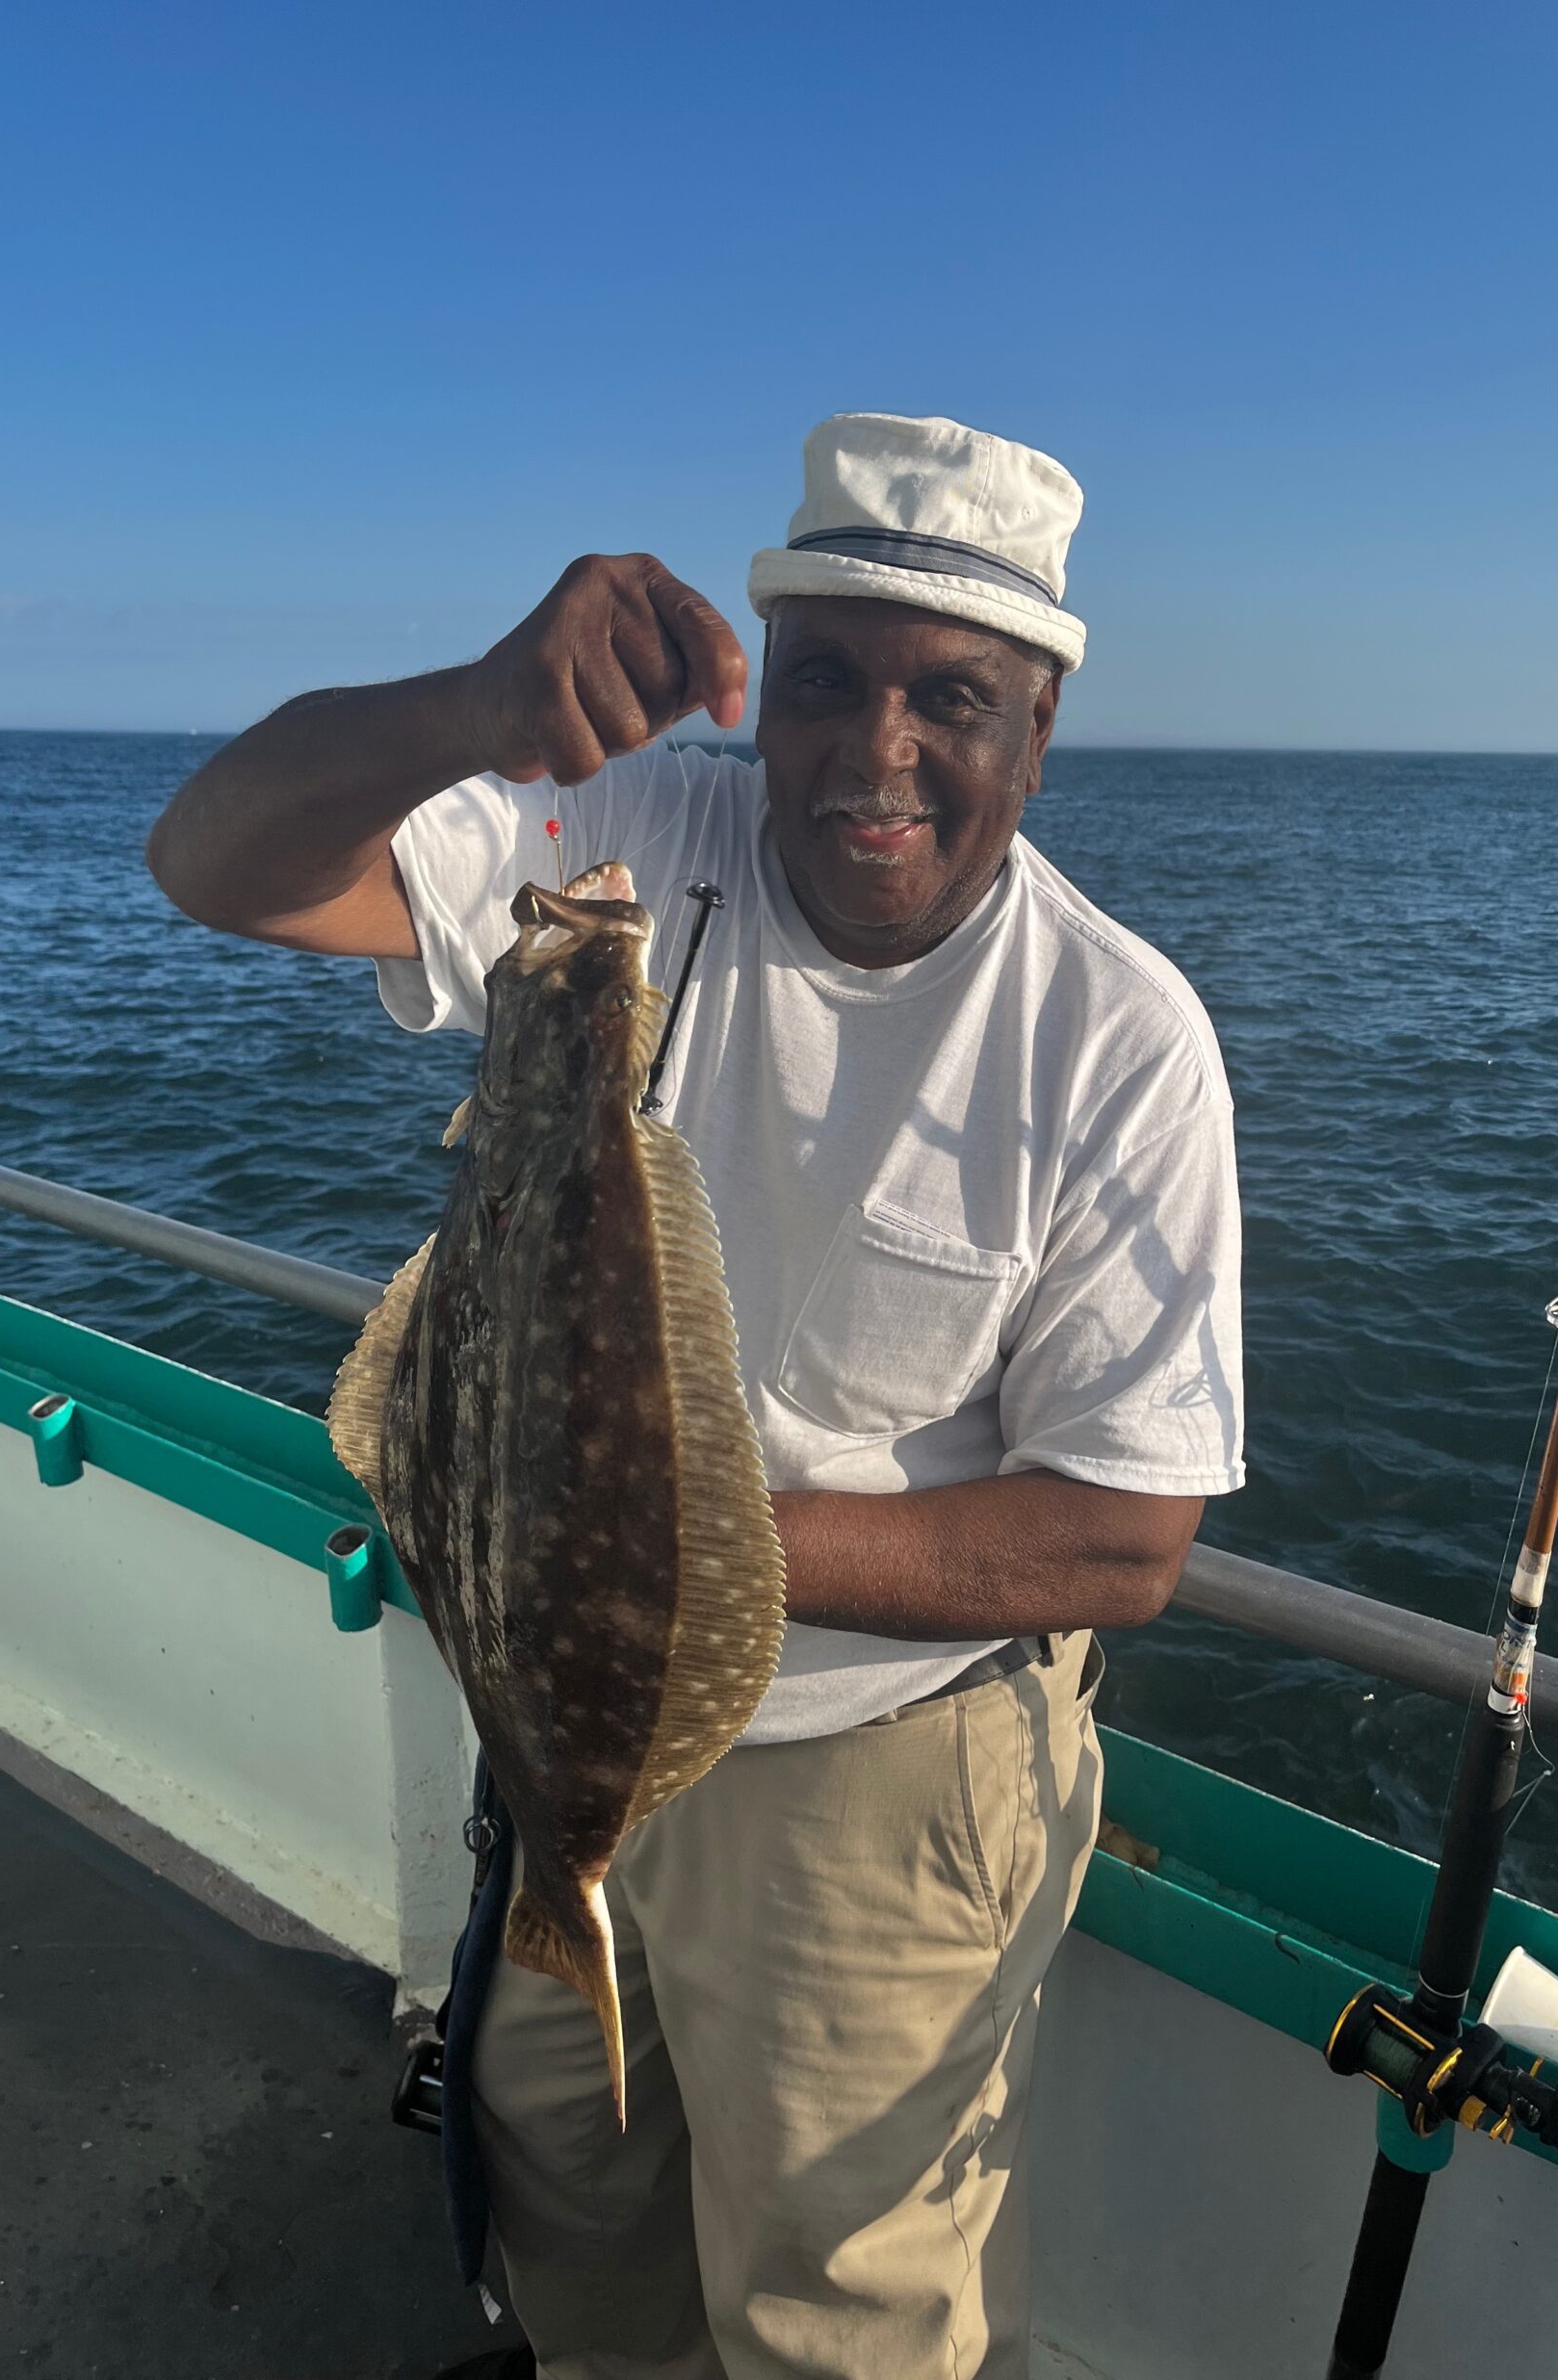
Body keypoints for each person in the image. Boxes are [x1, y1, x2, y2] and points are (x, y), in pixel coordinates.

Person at [148, 412, 1245, 2380]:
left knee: (833, 2318)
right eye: (824, 683)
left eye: (953, 698)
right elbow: (212, 857)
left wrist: (658, 1547)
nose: (877, 752)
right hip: (565, 1732)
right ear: (769, 687)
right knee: (565, 2205)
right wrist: (478, 703)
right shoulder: (625, 843)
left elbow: (1120, 1531)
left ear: (1040, 725)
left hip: (876, 1785)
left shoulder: (1119, 1042)